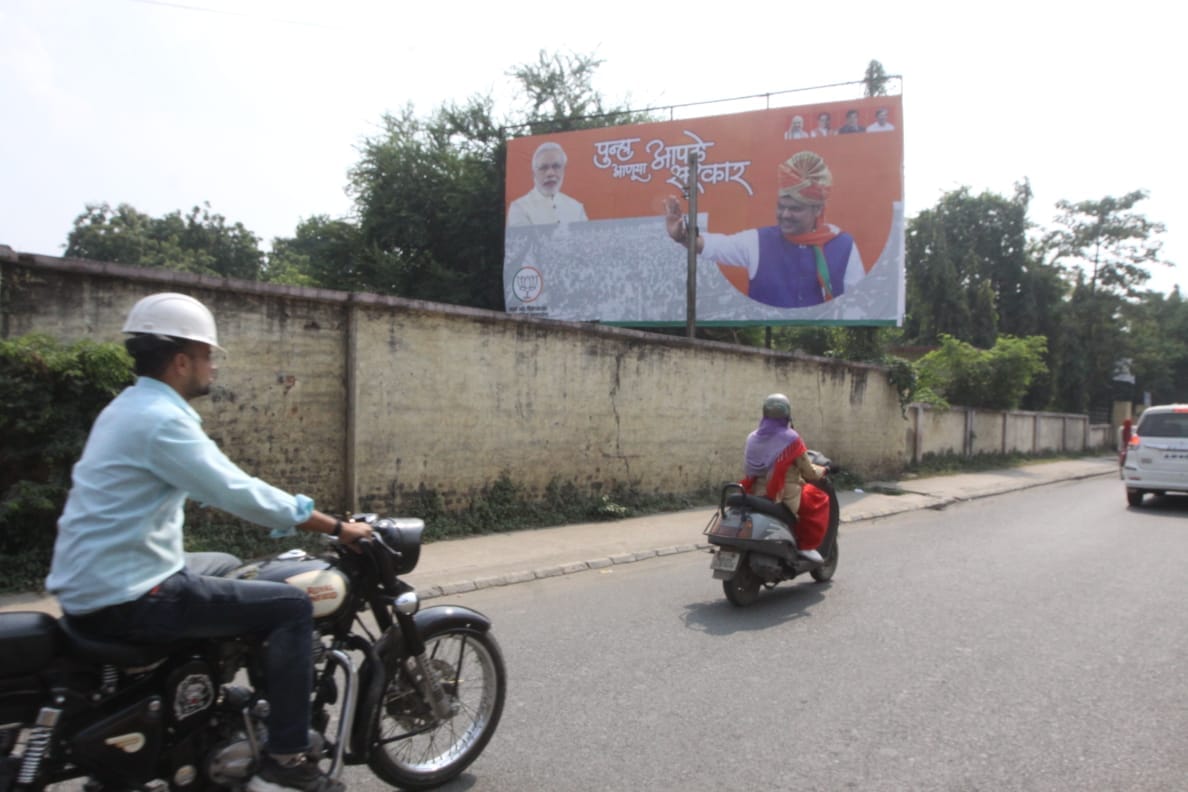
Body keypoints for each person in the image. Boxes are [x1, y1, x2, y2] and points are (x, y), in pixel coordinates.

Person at [45, 292, 374, 792]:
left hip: (99, 577)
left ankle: (205, 697)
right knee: (290, 606)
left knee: (224, 563)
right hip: (128, 594)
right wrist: (334, 526)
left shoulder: (127, 406)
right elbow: (237, 491)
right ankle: (285, 757)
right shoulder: (163, 420)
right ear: (181, 361)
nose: (212, 366)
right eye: (207, 355)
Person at [663, 150, 864, 309]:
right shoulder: (758, 241)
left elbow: (857, 302)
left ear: (818, 209)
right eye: (781, 207)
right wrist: (683, 237)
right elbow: (717, 245)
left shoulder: (843, 245)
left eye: (795, 209)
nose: (785, 214)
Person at [739, 393, 829, 563]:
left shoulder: (752, 437)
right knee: (818, 499)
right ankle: (806, 546)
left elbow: (748, 467)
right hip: (783, 494)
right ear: (787, 414)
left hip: (755, 490)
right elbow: (808, 472)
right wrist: (824, 470)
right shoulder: (791, 439)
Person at [506, 141, 589, 226]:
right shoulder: (519, 207)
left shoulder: (577, 208)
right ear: (533, 173)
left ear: (563, 170)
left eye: (556, 166)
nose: (550, 173)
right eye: (543, 168)